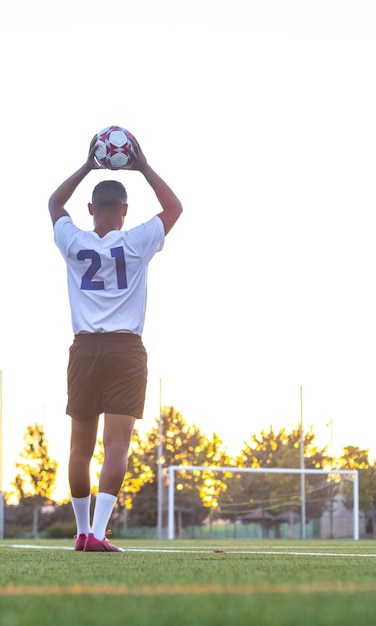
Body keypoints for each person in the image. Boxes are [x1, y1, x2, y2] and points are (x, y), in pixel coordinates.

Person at [48, 133, 183, 551]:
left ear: (90, 210)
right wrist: (141, 165)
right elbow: (175, 208)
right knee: (116, 446)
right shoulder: (137, 240)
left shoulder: (74, 240)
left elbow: (54, 204)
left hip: (84, 349)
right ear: (125, 212)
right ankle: (99, 533)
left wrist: (88, 165)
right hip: (125, 350)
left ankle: (82, 532)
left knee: (79, 448)